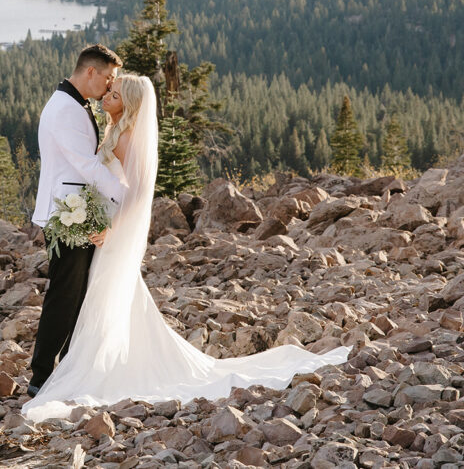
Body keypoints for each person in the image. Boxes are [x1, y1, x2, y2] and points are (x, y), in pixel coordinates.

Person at [23, 74, 350, 421]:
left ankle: (91, 366)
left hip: (110, 233)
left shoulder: (127, 138)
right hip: (101, 228)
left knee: (102, 296)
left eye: (114, 95)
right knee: (101, 297)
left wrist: (109, 226)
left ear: (129, 105)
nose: (106, 96)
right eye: (109, 90)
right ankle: (86, 360)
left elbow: (131, 195)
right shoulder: (115, 130)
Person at [28, 44, 127, 397]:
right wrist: (124, 197)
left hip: (78, 208)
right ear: (91, 72)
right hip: (68, 213)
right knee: (65, 294)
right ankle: (41, 376)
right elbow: (85, 165)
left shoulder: (73, 104)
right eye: (109, 78)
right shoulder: (65, 110)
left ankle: (66, 367)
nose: (109, 85)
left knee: (78, 293)